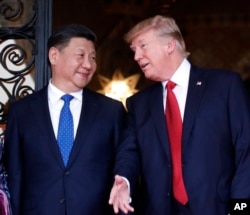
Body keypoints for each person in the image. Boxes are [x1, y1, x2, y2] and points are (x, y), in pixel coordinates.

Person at [109, 15, 250, 215]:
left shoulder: (225, 86)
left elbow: (247, 151)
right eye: (134, 50)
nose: (136, 56)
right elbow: (130, 152)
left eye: (143, 46)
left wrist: (241, 209)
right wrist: (124, 179)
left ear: (169, 45)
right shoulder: (138, 104)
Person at [3, 24, 126, 215]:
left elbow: (124, 166)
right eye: (81, 55)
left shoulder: (111, 112)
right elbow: (15, 176)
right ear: (54, 56)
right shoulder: (22, 112)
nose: (88, 64)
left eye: (92, 57)